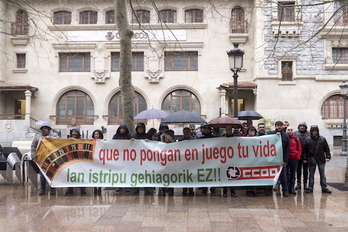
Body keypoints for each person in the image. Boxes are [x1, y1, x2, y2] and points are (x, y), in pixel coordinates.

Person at [31, 121, 60, 196]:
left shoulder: (53, 135)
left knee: (52, 173)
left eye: (46, 128)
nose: (45, 130)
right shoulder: (37, 137)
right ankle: (42, 189)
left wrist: (50, 138)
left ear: (49, 129)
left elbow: (59, 139)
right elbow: (33, 147)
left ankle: (52, 189)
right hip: (42, 158)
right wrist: (33, 157)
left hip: (52, 158)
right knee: (42, 174)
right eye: (43, 128)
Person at [303, 125, 332, 194]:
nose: (314, 132)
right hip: (311, 159)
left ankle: (324, 187)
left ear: (317, 131)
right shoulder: (307, 139)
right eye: (313, 131)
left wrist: (328, 156)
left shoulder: (322, 139)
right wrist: (304, 158)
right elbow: (305, 150)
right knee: (311, 174)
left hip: (321, 159)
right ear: (311, 131)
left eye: (315, 131)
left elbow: (327, 149)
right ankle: (310, 187)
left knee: (322, 174)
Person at [268, 121, 290, 197]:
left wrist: (285, 160)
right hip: (273, 159)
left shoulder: (286, 136)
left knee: (283, 176)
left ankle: (285, 190)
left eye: (280, 125)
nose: (279, 127)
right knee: (271, 175)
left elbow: (287, 149)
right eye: (277, 126)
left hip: (282, 160)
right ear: (275, 126)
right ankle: (269, 190)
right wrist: (274, 136)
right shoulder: (271, 134)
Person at [197, 123, 217, 196]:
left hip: (212, 158)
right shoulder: (199, 138)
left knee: (213, 173)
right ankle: (204, 189)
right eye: (205, 129)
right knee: (204, 174)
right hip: (203, 159)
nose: (207, 130)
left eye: (208, 129)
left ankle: (213, 189)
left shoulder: (214, 138)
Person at [66, 127, 87, 196]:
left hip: (80, 159)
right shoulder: (68, 140)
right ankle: (70, 188)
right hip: (71, 159)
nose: (74, 133)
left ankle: (82, 189)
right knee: (70, 174)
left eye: (75, 132)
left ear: (78, 133)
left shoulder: (82, 140)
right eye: (73, 132)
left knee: (81, 174)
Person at [294, 121, 310, 190]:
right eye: (301, 126)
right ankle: (298, 183)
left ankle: (305, 183)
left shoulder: (309, 133)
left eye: (303, 126)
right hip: (298, 155)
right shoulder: (295, 133)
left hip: (306, 155)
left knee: (306, 170)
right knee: (298, 170)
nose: (302, 127)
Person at [179, 127, 195, 196]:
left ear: (189, 132)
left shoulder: (194, 140)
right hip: (183, 161)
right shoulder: (180, 141)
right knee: (184, 176)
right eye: (184, 132)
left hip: (191, 161)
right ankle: (184, 190)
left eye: (187, 132)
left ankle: (191, 189)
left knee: (190, 175)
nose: (186, 134)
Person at [285, 127, 302, 194]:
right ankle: (286, 187)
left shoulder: (296, 139)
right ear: (286, 131)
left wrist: (298, 156)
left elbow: (299, 148)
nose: (290, 131)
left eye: (291, 130)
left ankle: (292, 188)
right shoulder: (284, 138)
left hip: (294, 158)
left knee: (293, 174)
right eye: (288, 130)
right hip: (286, 159)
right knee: (286, 174)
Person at [222, 125, 237, 197]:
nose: (229, 131)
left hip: (232, 159)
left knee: (232, 175)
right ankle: (225, 191)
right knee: (225, 175)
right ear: (225, 130)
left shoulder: (235, 138)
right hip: (224, 159)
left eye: (230, 129)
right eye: (228, 129)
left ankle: (232, 191)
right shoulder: (222, 138)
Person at [161, 130, 176, 196]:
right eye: (165, 138)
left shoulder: (175, 145)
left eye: (167, 137)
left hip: (171, 164)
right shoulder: (161, 145)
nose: (166, 139)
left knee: (171, 177)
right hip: (163, 164)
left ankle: (171, 189)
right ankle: (163, 189)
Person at [92, 129, 104, 196]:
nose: (96, 136)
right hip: (94, 160)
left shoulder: (103, 142)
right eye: (95, 134)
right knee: (94, 174)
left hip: (100, 161)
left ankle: (99, 187)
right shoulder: (91, 141)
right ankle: (94, 188)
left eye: (97, 134)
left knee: (100, 175)